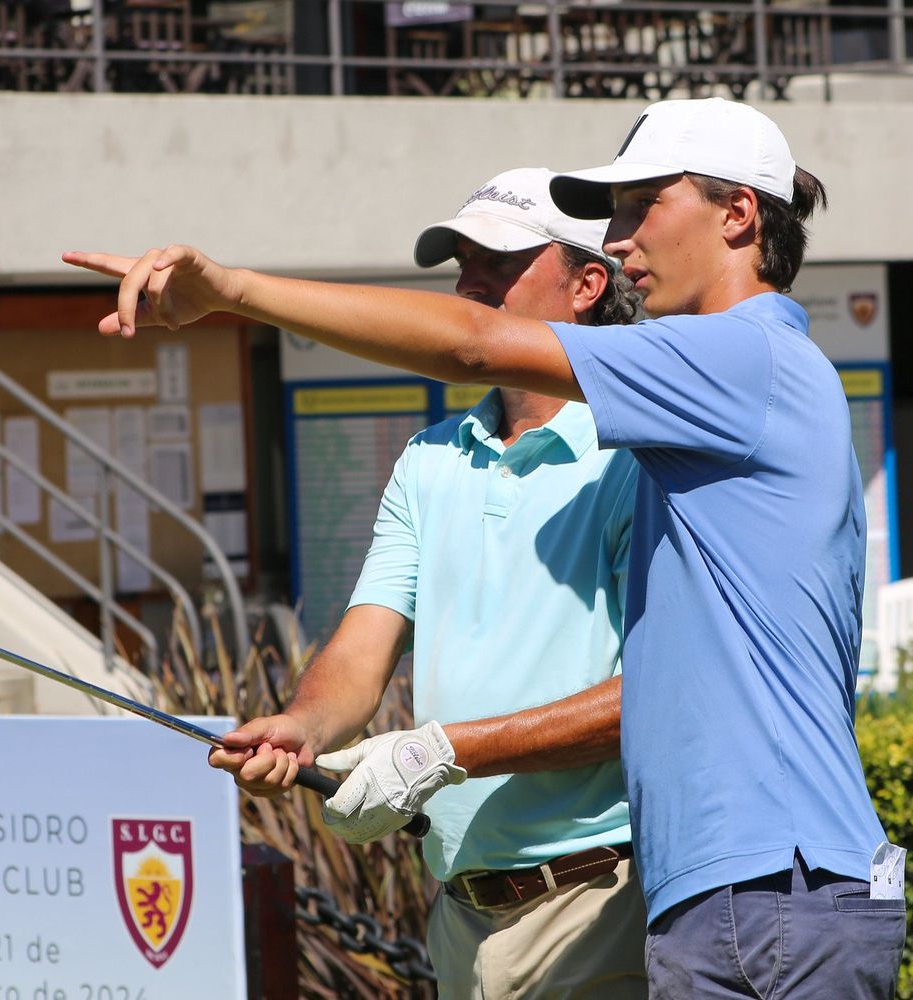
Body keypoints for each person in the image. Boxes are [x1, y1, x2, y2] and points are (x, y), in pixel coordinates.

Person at [64, 97, 905, 998]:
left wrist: (231, 292)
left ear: (739, 213)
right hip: (734, 892)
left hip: (763, 888)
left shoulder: (735, 357)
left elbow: (470, 349)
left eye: (641, 207)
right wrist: (313, 731)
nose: (620, 239)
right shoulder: (697, 390)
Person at [209, 167, 648, 998]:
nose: (470, 283)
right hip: (460, 916)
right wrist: (303, 728)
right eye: (462, 263)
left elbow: (653, 696)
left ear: (589, 284)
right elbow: (363, 645)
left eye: (502, 261)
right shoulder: (429, 457)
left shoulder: (633, 455)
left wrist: (437, 752)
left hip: (598, 903)